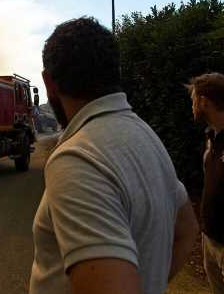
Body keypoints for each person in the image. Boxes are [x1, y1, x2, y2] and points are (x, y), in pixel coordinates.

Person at [29, 17, 198, 294]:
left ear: (49, 81)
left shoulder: (77, 158)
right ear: (115, 72)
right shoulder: (147, 137)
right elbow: (187, 229)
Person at [186, 72, 224, 294]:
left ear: (204, 101)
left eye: (193, 99)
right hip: (210, 239)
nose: (192, 106)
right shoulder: (211, 137)